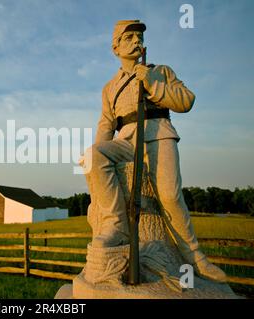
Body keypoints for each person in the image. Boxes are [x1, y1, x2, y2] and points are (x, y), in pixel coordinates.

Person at [81, 20, 227, 282]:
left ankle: (195, 258)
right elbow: (106, 126)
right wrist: (93, 163)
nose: (136, 40)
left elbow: (186, 101)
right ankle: (116, 223)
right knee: (93, 154)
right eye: (129, 37)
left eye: (139, 37)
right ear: (116, 47)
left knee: (170, 196)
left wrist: (151, 84)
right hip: (127, 141)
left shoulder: (161, 71)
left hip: (158, 134)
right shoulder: (110, 88)